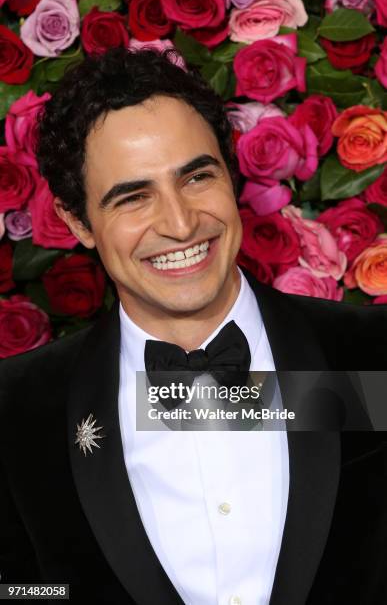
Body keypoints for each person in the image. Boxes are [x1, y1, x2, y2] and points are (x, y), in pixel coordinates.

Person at [0, 47, 386, 605]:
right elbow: (24, 591)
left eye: (197, 177)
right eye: (133, 197)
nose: (180, 224)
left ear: (231, 176)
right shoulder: (17, 414)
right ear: (77, 221)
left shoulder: (372, 358)